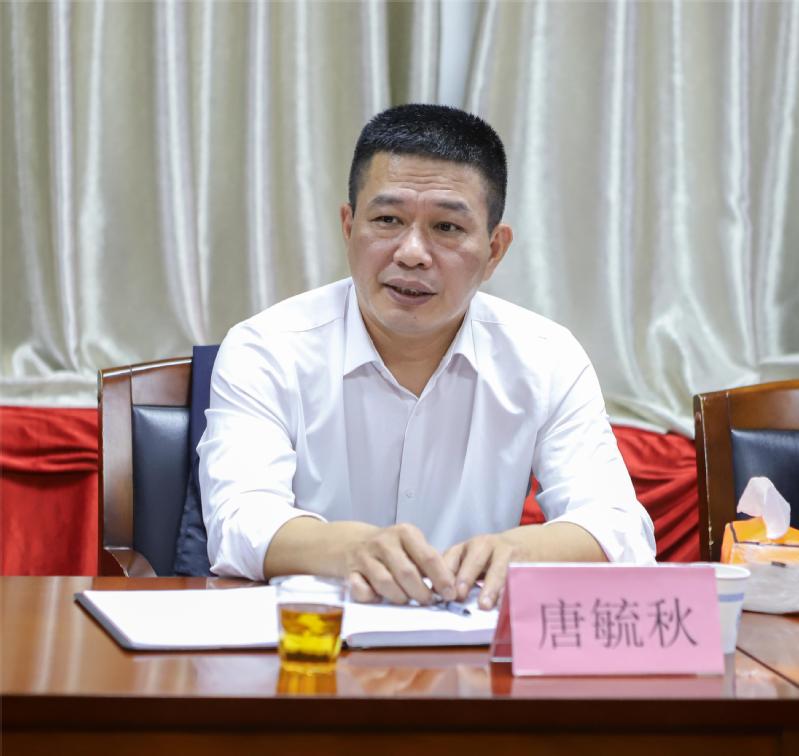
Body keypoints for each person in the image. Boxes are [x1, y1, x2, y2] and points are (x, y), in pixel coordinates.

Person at [198, 104, 656, 611]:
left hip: (472, 643)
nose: (412, 253)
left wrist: (520, 551)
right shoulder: (266, 348)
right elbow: (238, 521)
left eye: (447, 227)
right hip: (313, 640)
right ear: (348, 226)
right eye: (387, 220)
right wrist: (349, 550)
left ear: (495, 250)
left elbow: (619, 527)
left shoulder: (547, 359)